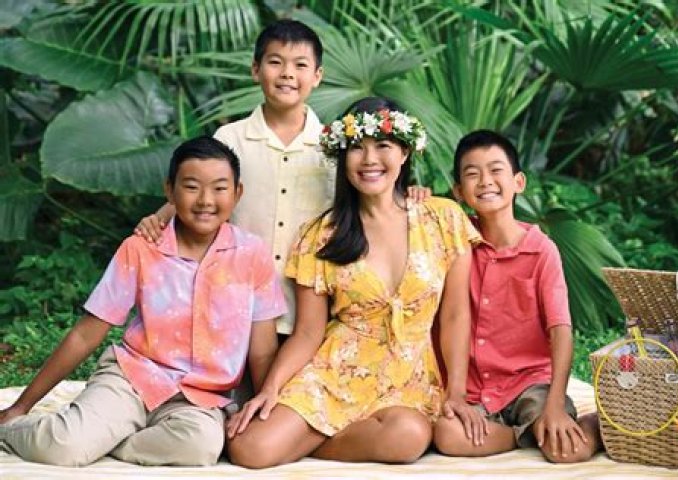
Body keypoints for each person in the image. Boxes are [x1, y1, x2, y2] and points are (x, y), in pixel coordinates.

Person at [223, 97, 484, 469]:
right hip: (334, 371)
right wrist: (271, 389)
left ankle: (316, 439)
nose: (369, 159)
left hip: (406, 379)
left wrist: (456, 392)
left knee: (407, 435)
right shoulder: (321, 235)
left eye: (383, 145)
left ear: (405, 152)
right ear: (342, 157)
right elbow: (308, 332)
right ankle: (328, 433)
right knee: (250, 449)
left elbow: (456, 316)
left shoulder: (443, 219)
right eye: (357, 148)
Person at [0, 136, 286, 467]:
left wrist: (262, 413)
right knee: (64, 447)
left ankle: (112, 443)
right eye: (191, 187)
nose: (206, 200)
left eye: (219, 188)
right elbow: (87, 333)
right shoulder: (141, 249)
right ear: (170, 191)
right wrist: (21, 406)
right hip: (132, 379)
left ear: (237, 193)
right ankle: (12, 431)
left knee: (201, 446)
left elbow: (262, 350)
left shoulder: (252, 254)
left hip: (199, 398)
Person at [136, 20, 428, 338]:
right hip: (233, 306)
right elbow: (199, 195)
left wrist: (407, 193)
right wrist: (158, 219)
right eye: (275, 62)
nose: (287, 73)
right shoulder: (230, 139)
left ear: (317, 76)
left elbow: (369, 197)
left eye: (300, 65)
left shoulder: (335, 147)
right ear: (256, 70)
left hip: (309, 315)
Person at [432, 129, 601, 463]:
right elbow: (407, 215)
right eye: (472, 174)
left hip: (529, 383)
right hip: (473, 388)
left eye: (496, 170)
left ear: (518, 182)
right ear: (459, 192)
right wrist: (417, 194)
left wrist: (555, 405)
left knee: (567, 451)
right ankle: (519, 435)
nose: (485, 181)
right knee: (448, 435)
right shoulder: (452, 238)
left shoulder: (542, 251)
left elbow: (561, 331)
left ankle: (595, 423)